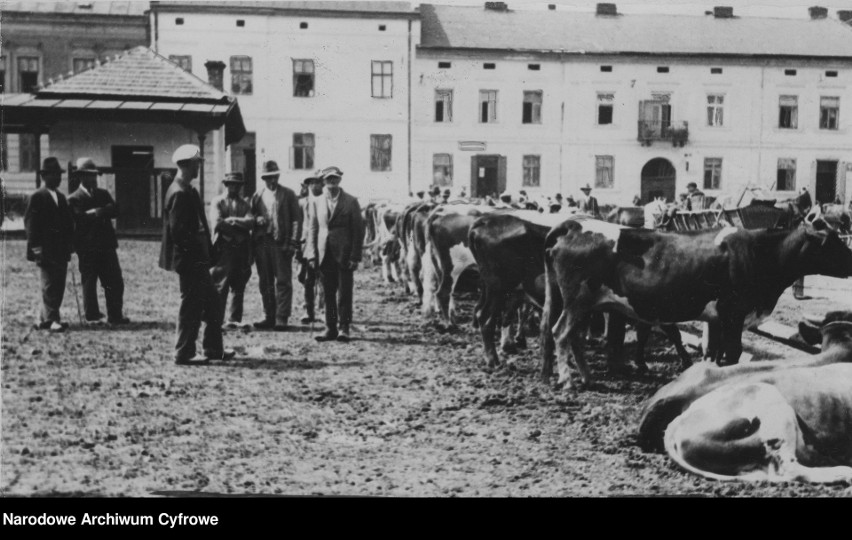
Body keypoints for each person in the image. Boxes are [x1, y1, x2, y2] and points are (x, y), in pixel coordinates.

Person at [159, 144, 234, 365]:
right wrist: (197, 257)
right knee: (191, 305)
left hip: (197, 259)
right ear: (188, 165)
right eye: (197, 164)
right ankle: (184, 352)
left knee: (212, 303)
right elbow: (179, 234)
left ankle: (212, 348)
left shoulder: (188, 190)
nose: (199, 168)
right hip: (190, 261)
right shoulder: (180, 193)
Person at [306, 166, 365, 343]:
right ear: (323, 181)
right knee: (328, 292)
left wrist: (355, 256)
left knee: (345, 292)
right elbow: (312, 228)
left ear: (340, 180)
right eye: (328, 179)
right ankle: (330, 327)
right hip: (325, 253)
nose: (332, 182)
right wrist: (311, 254)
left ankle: (344, 327)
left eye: (335, 179)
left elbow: (358, 230)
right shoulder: (316, 201)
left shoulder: (351, 201)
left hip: (344, 254)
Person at [67, 157, 129, 325]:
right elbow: (80, 219)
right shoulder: (74, 199)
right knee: (89, 281)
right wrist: (100, 212)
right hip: (87, 248)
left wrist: (96, 212)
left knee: (115, 281)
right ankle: (92, 314)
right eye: (90, 176)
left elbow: (115, 210)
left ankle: (115, 315)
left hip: (107, 246)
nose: (94, 179)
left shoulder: (102, 193)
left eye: (95, 176)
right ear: (81, 177)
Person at [25, 157, 76, 332]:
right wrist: (36, 249)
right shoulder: (37, 197)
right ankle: (53, 319)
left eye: (60, 174)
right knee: (49, 285)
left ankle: (43, 318)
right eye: (55, 174)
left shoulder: (62, 198)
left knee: (59, 284)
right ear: (45, 176)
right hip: (45, 249)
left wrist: (70, 245)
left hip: (60, 250)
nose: (59, 178)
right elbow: (31, 225)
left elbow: (68, 224)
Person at [250, 160, 301, 331]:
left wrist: (293, 243)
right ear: (263, 178)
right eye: (268, 178)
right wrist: (257, 219)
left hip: (281, 244)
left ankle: (281, 317)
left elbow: (296, 221)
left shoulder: (288, 195)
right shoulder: (257, 196)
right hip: (262, 244)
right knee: (265, 282)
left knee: (283, 281)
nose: (272, 181)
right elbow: (251, 217)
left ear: (278, 176)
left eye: (274, 177)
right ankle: (268, 315)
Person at [209, 171, 254, 328]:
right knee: (221, 284)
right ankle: (216, 319)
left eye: (237, 185)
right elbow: (218, 223)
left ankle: (234, 320)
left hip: (241, 248)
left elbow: (251, 222)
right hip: (223, 248)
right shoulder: (218, 202)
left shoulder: (244, 204)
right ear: (226, 185)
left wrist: (233, 220)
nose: (234, 188)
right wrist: (238, 228)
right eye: (231, 184)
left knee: (239, 283)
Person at [297, 174, 325, 324]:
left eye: (317, 183)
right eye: (311, 183)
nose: (314, 186)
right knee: (306, 279)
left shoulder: (326, 201)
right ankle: (308, 311)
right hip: (306, 246)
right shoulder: (302, 203)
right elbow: (298, 224)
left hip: (324, 245)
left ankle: (323, 310)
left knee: (324, 280)